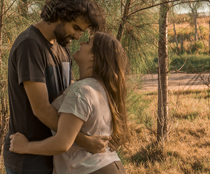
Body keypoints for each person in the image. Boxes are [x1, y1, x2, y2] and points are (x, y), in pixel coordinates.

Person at [4, 0, 107, 174]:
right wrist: (85, 140)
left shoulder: (62, 47)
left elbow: (69, 99)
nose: (77, 36)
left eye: (81, 31)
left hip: (54, 154)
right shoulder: (30, 45)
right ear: (61, 14)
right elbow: (41, 109)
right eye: (76, 28)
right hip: (28, 161)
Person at [9, 32, 128, 174]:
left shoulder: (81, 91)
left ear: (93, 57)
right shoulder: (101, 88)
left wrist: (25, 147)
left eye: (88, 42)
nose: (82, 42)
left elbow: (62, 143)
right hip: (111, 166)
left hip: (91, 169)